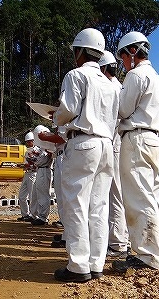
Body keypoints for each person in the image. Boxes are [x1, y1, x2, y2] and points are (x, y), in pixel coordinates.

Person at [51, 27, 118, 282]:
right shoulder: (110, 84)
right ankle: (95, 263)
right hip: (105, 146)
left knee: (75, 205)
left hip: (83, 144)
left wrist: (55, 116)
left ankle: (78, 266)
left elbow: (67, 111)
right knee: (98, 207)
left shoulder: (75, 75)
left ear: (79, 51)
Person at [111, 31, 159, 272]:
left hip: (136, 139)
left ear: (132, 52)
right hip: (153, 140)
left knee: (138, 198)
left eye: (123, 57)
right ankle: (158, 252)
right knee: (152, 197)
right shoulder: (158, 79)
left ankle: (146, 256)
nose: (123, 64)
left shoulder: (136, 76)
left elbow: (123, 110)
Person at [99, 51, 131, 259]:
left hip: (114, 145)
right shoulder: (119, 87)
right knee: (117, 194)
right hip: (118, 144)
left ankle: (119, 243)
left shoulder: (110, 88)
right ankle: (121, 240)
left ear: (103, 69)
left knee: (115, 195)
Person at [29, 125, 54, 226]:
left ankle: (44, 217)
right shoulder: (43, 148)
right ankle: (39, 215)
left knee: (43, 194)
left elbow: (40, 161)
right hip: (41, 171)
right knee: (38, 193)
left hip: (45, 170)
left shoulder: (47, 148)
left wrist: (34, 159)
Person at [16, 132, 37, 222]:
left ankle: (33, 215)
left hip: (33, 174)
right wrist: (22, 166)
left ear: (33, 141)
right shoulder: (27, 151)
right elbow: (26, 164)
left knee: (32, 196)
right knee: (21, 196)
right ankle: (25, 214)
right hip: (27, 173)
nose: (28, 143)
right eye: (27, 142)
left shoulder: (37, 150)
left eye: (29, 142)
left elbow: (37, 164)